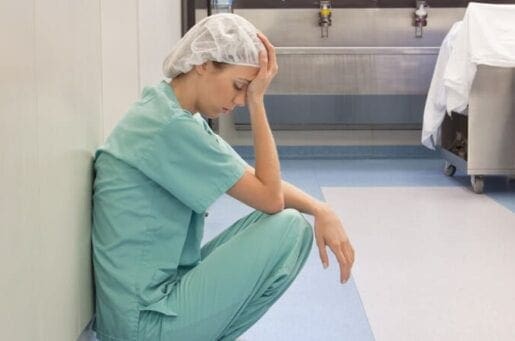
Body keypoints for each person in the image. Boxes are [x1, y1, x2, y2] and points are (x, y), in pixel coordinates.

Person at [91, 13, 354, 341]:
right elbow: (270, 197)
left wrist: (321, 209)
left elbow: (253, 179)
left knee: (289, 223)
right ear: (202, 63)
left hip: (152, 303)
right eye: (240, 86)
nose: (240, 100)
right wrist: (259, 102)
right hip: (143, 323)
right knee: (288, 227)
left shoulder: (171, 113)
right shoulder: (169, 127)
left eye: (248, 92)